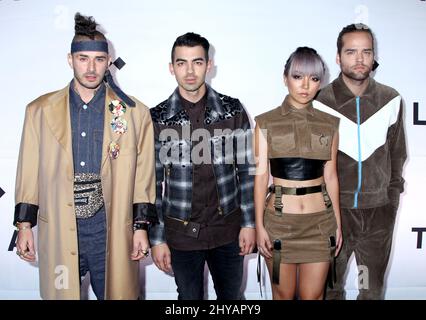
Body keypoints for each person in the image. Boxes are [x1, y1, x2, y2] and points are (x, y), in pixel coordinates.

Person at [11, 13, 157, 300]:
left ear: (108, 62)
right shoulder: (39, 111)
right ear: (70, 59)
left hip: (112, 233)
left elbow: (143, 175)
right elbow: (28, 170)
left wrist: (141, 228)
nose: (91, 68)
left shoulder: (133, 113)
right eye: (83, 59)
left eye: (99, 60)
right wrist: (24, 226)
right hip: (59, 233)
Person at [149, 32, 256, 300]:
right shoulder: (158, 117)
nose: (189, 71)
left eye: (197, 62)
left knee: (232, 299)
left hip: (227, 231)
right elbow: (153, 182)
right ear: (171, 67)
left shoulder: (233, 110)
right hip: (181, 235)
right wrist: (158, 238)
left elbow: (246, 172)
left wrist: (249, 223)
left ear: (209, 66)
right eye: (181, 63)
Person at [314, 24, 407, 300]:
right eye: (351, 51)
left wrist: (390, 200)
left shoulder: (391, 99)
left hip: (379, 215)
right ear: (338, 56)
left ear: (374, 55)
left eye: (366, 51)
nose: (359, 59)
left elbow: (397, 154)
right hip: (334, 215)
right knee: (330, 289)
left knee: (370, 291)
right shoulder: (320, 101)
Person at [254, 47, 342, 300]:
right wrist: (259, 225)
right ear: (285, 78)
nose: (305, 85)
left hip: (320, 225)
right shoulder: (265, 122)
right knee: (282, 296)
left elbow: (332, 176)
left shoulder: (330, 123)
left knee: (313, 297)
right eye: (297, 76)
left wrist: (338, 223)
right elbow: (260, 178)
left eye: (314, 79)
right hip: (279, 225)